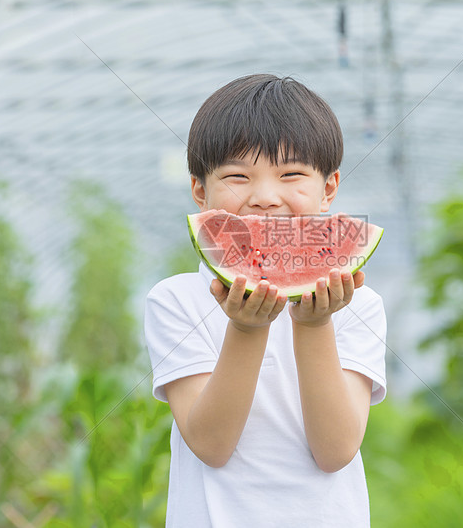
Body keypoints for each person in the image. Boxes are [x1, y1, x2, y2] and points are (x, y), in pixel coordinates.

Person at [144, 74, 387, 527]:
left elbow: (335, 452)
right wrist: (247, 328)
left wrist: (315, 325)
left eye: (291, 175)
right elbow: (212, 446)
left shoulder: (359, 304)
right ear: (200, 191)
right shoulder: (175, 300)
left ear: (328, 189)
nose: (265, 198)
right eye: (237, 177)